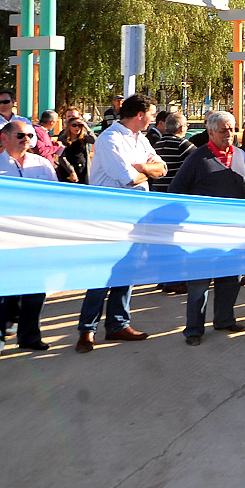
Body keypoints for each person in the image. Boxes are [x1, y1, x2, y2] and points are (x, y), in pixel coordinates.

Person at [76, 94, 165, 353]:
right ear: (140, 115)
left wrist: (143, 167)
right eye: (151, 113)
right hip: (110, 217)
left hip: (136, 217)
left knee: (127, 271)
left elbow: (163, 168)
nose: (152, 118)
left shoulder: (142, 138)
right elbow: (128, 179)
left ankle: (117, 324)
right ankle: (87, 330)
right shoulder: (110, 139)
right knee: (102, 273)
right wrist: (144, 169)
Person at [168, 111, 245, 345]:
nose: (229, 134)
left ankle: (224, 319)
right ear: (210, 132)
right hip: (201, 233)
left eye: (232, 129)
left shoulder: (240, 156)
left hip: (232, 232)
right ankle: (193, 330)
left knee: (231, 278)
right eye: (223, 130)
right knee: (199, 284)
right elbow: (176, 190)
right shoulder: (197, 159)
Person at [0, 119, 55, 361]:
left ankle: (30, 336)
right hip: (3, 239)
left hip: (36, 238)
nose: (27, 140)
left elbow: (55, 199)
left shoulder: (43, 165)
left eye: (30, 136)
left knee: (34, 291)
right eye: (21, 135)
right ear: (5, 138)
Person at [151, 112, 193, 192]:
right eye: (186, 125)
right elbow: (200, 159)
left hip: (157, 191)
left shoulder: (157, 144)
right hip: (175, 191)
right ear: (182, 128)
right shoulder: (183, 145)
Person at [58, 114, 95, 184]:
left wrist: (87, 128)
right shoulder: (63, 138)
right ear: (69, 127)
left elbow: (94, 140)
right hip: (67, 170)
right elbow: (62, 157)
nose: (77, 128)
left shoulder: (83, 138)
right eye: (74, 125)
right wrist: (71, 172)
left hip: (82, 169)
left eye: (80, 126)